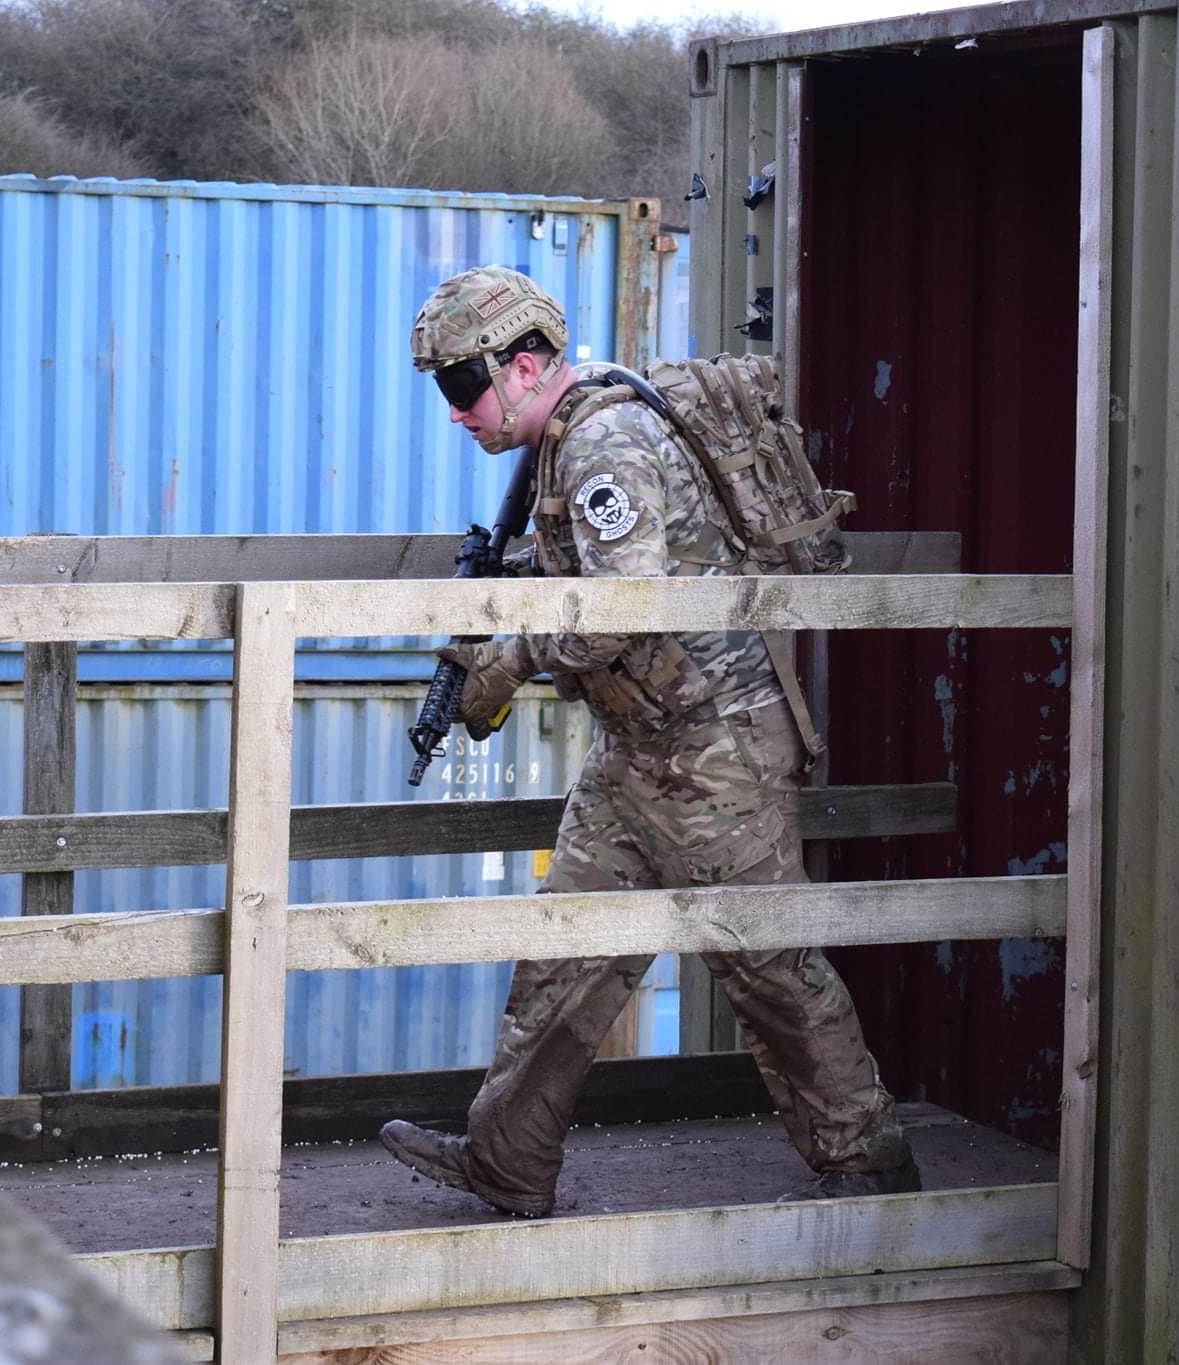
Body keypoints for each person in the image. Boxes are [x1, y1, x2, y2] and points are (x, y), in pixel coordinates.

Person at [379, 265, 918, 1217]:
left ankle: (867, 1163)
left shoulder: (604, 444)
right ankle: (509, 1159)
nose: (455, 410)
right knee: (565, 956)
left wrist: (512, 656)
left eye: (464, 384)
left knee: (767, 966)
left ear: (526, 364)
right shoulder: (566, 441)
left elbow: (625, 609)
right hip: (639, 748)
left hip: (714, 753)